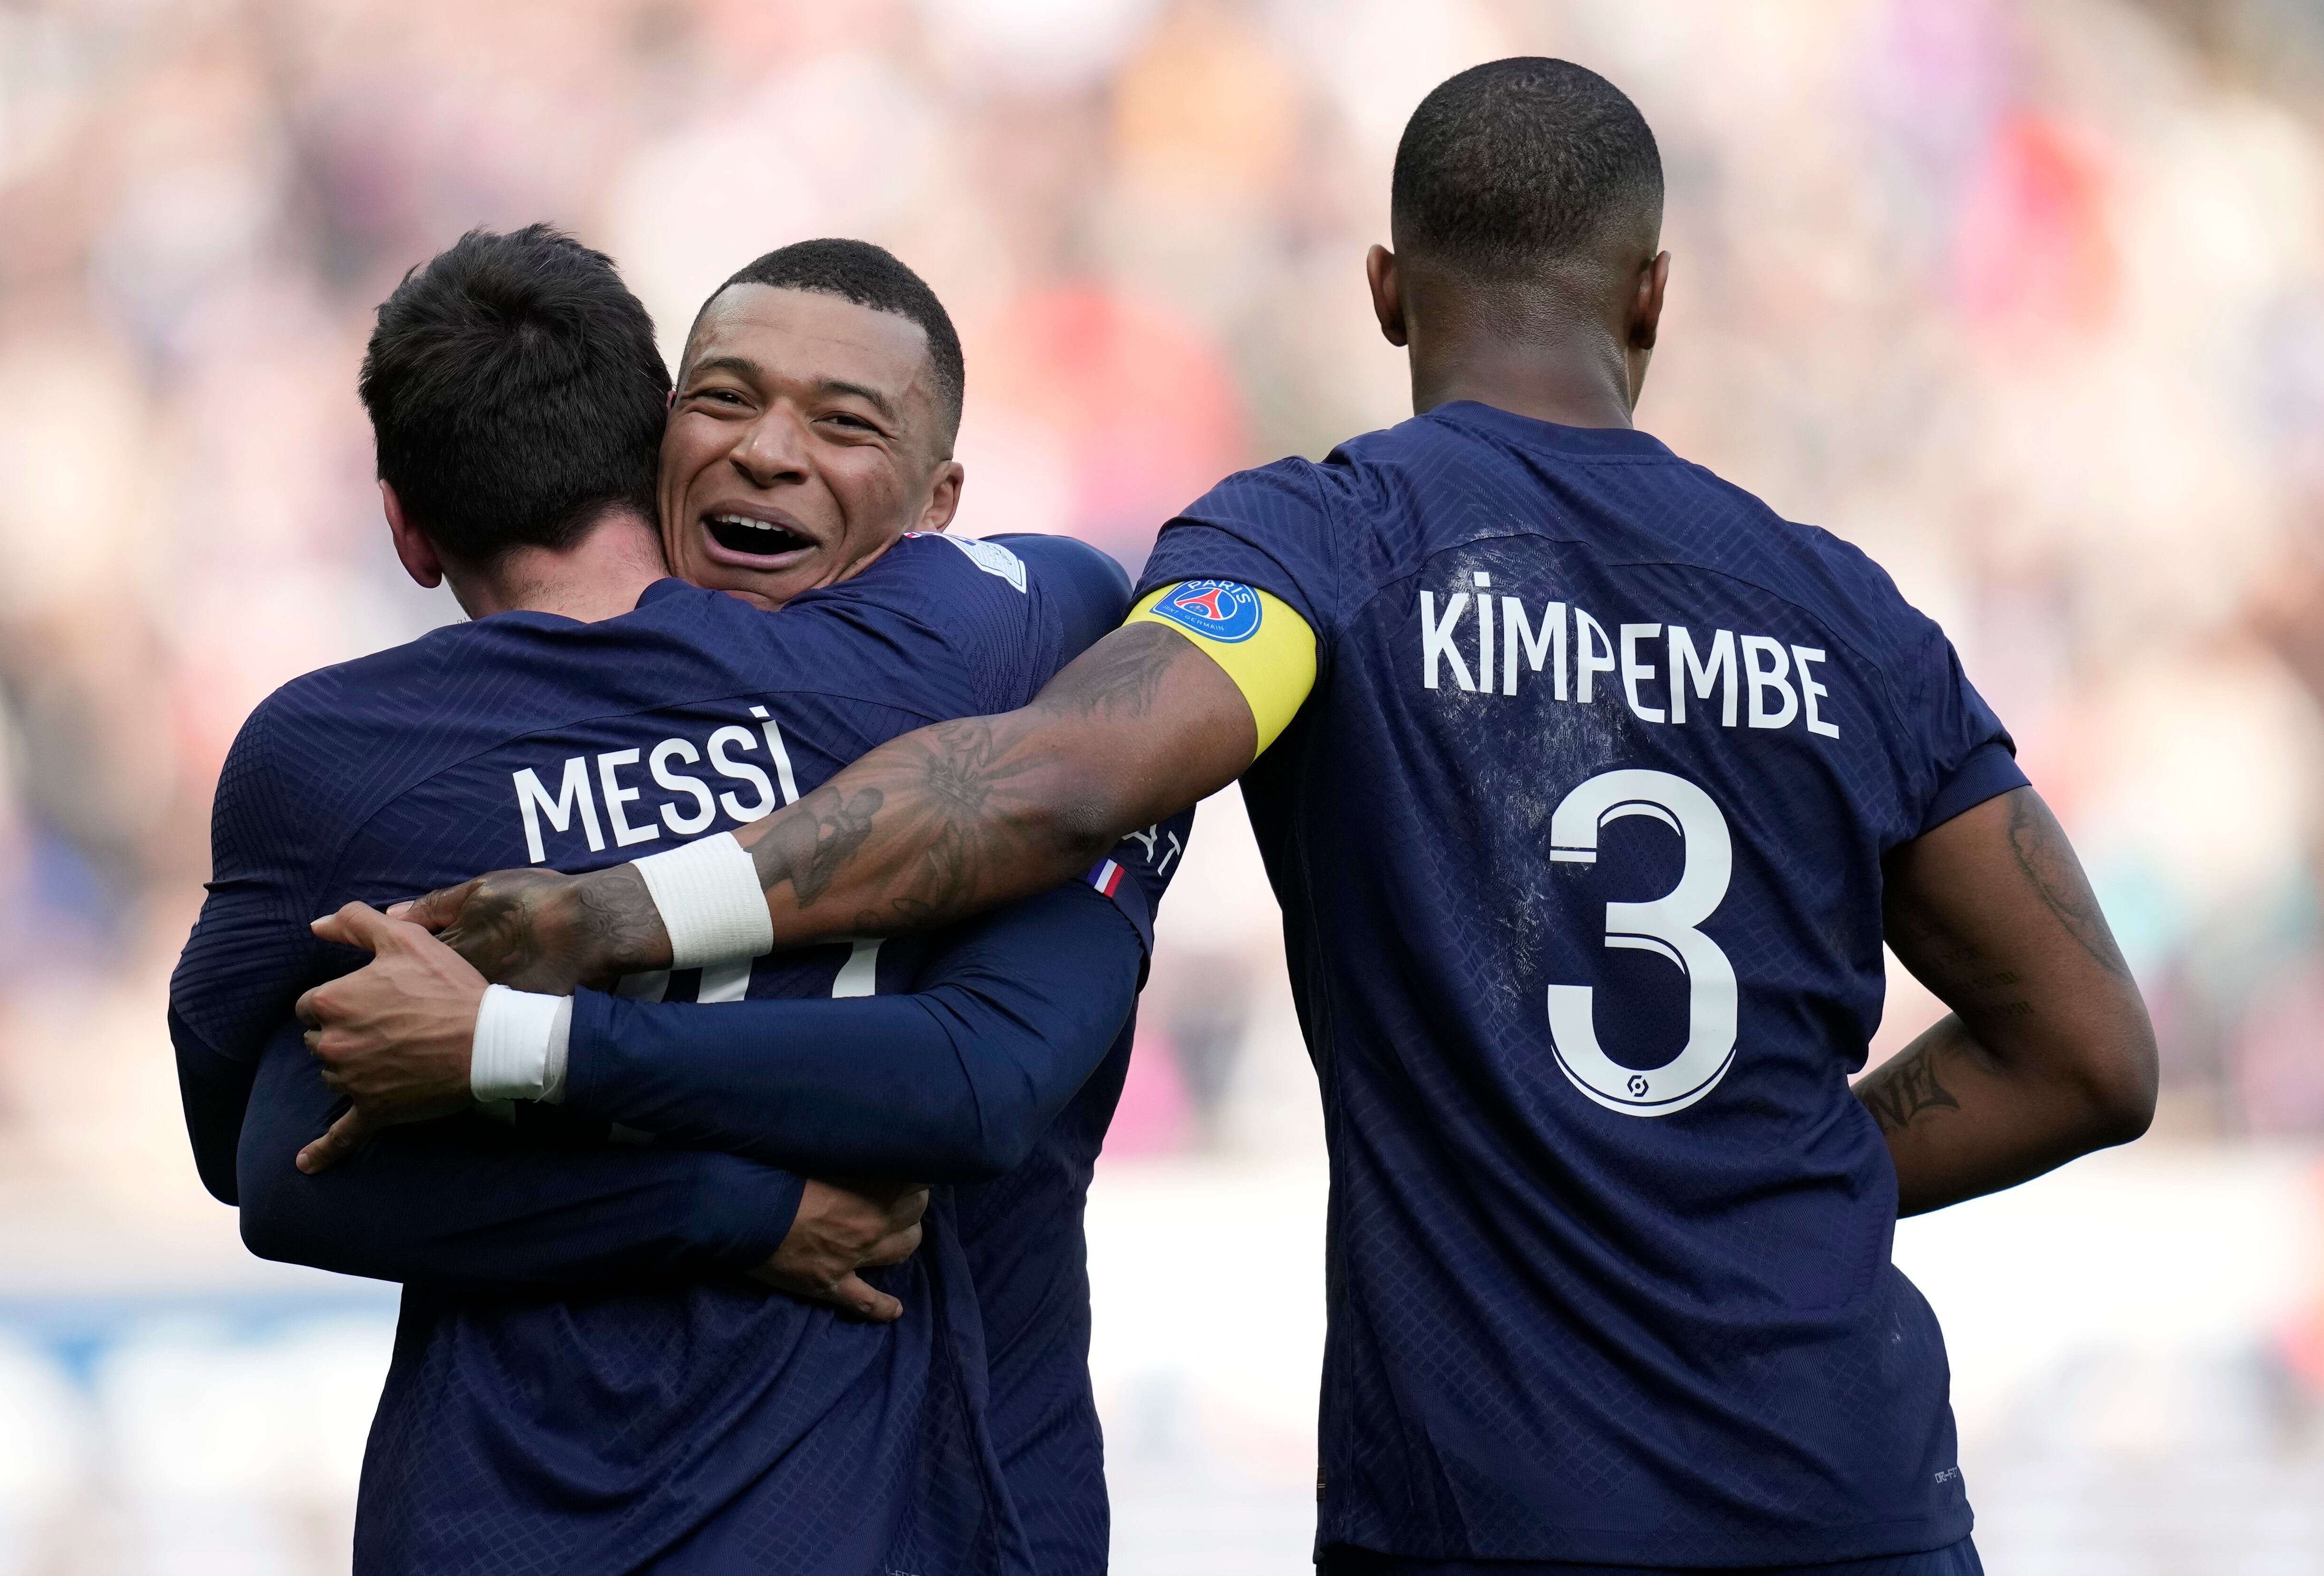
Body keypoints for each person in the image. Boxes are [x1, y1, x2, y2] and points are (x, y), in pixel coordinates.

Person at [371, 60, 2160, 1573]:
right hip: (1856, 1481)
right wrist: (1778, 1195)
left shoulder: (1327, 545)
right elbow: (2087, 1053)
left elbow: (1055, 781)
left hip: (1499, 1494)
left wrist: (620, 914)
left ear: (1386, 289)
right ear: (1651, 296)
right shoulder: (1849, 615)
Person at [172, 225, 1187, 1573]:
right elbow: (282, 1169)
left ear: (406, 531)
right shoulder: (1005, 658)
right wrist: (738, 1203)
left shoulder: (351, 757)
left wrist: (523, 1044)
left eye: (840, 423)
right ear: (652, 455)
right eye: (728, 401)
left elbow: (267, 1164)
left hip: (526, 1521)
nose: (770, 451)